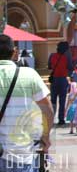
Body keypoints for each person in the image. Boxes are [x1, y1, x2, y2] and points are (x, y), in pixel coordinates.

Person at [0, 34, 54, 171]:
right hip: (21, 153)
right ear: (14, 52)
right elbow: (47, 110)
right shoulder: (29, 75)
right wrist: (45, 136)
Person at [48, 41, 73, 126]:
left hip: (54, 79)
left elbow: (49, 66)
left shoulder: (52, 56)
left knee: (53, 101)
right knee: (62, 101)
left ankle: (51, 118)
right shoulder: (67, 57)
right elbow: (70, 67)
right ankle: (61, 119)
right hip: (63, 79)